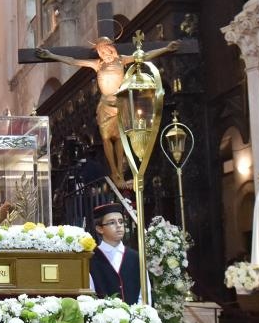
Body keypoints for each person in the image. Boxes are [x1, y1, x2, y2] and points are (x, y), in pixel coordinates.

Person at [37, 36, 180, 184]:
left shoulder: (121, 60)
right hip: (105, 105)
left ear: (111, 49)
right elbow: (73, 61)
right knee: (106, 138)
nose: (103, 55)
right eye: (100, 53)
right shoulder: (98, 64)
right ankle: (114, 171)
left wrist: (166, 48)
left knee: (119, 138)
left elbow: (143, 55)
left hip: (119, 103)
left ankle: (121, 172)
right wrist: (51, 55)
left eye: (105, 51)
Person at [88, 201, 140, 302]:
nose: (119, 226)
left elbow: (144, 293)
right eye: (112, 222)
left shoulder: (135, 257)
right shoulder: (91, 258)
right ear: (99, 228)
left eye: (121, 221)